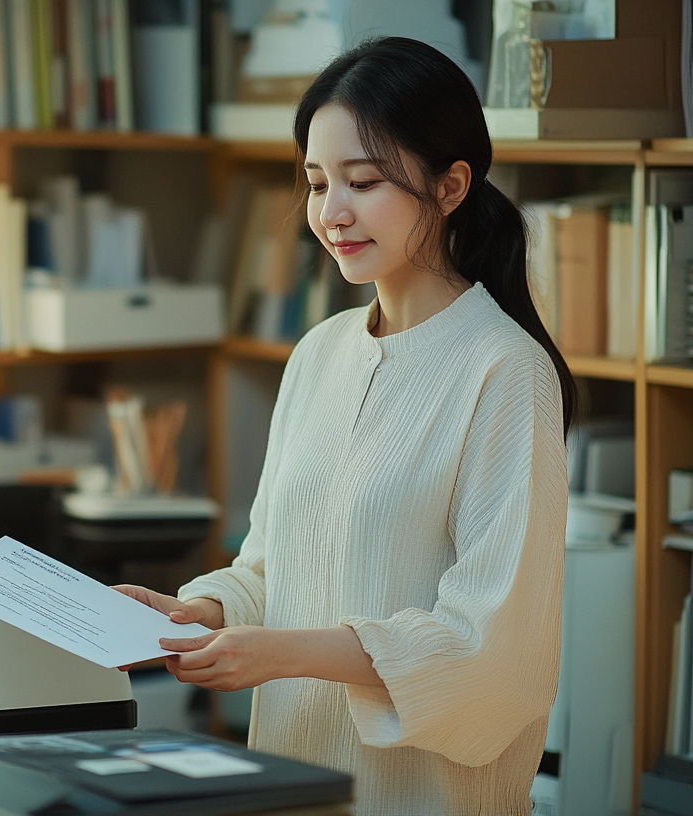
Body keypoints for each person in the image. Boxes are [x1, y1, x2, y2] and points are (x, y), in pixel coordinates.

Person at [117, 37, 574, 815]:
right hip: (290, 788)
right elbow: (270, 566)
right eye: (316, 182)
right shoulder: (318, 354)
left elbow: (489, 650)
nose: (331, 213)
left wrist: (278, 653)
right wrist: (204, 613)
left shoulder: (505, 372)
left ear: (452, 184)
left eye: (362, 182)